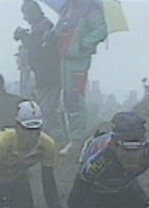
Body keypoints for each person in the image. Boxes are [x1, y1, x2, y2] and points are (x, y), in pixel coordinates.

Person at [52, 0, 108, 155]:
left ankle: (78, 140)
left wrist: (82, 45)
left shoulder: (91, 7)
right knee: (69, 98)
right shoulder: (67, 7)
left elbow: (101, 30)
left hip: (78, 59)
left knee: (75, 97)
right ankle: (75, 137)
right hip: (65, 58)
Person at [14, 0, 63, 145]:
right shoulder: (41, 26)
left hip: (49, 76)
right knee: (51, 110)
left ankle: (41, 141)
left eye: (26, 14)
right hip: (44, 75)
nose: (25, 18)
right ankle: (59, 137)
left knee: (44, 110)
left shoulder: (45, 26)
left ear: (32, 13)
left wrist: (23, 36)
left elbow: (40, 49)